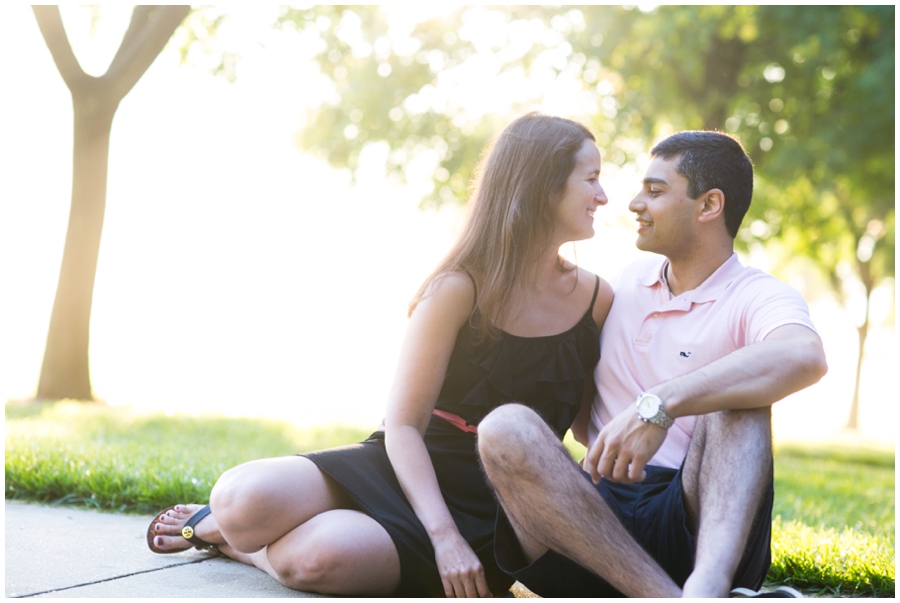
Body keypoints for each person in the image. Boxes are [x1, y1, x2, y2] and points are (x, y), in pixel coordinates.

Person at [146, 112, 614, 597]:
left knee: (318, 561)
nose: (603, 196)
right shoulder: (458, 288)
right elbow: (404, 425)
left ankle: (237, 546)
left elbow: (589, 427)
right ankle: (225, 524)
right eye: (592, 179)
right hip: (406, 468)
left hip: (494, 510)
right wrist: (442, 537)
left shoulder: (597, 301)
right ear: (542, 187)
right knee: (242, 499)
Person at [477, 130, 828, 598]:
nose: (634, 203)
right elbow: (577, 413)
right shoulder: (619, 286)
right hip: (591, 523)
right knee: (504, 426)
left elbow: (804, 355)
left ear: (709, 206)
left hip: (697, 522)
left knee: (741, 399)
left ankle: (705, 589)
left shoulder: (759, 295)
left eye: (655, 191)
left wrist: (661, 403)